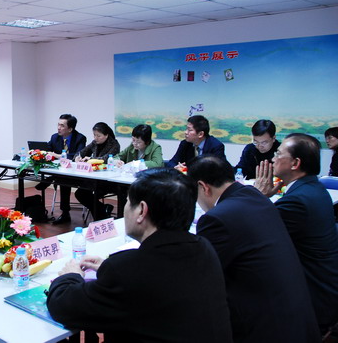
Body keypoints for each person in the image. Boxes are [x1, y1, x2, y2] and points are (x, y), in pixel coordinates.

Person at [46, 168, 232, 342]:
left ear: (142, 211)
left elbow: (63, 306)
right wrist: (108, 268)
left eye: (128, 201)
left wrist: (71, 275)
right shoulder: (204, 248)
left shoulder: (128, 269)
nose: (126, 208)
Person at [187, 156, 319, 342]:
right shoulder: (255, 196)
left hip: (264, 328)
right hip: (298, 319)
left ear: (203, 186)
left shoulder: (217, 218)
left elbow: (200, 277)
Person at [255, 133, 338, 333]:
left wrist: (259, 197)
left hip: (313, 293)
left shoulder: (297, 201)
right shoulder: (313, 187)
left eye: (278, 154)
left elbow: (255, 232)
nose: (273, 158)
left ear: (295, 163)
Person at [38, 114, 87, 225]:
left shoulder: (80, 138)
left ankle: (51, 180)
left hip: (75, 172)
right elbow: (48, 150)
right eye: (58, 124)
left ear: (70, 129)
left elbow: (77, 155)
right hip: (60, 170)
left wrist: (57, 155)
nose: (58, 128)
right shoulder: (55, 137)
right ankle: (64, 213)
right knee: (63, 179)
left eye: (62, 125)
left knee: (64, 180)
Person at [74, 122, 121, 221]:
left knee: (85, 194)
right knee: (80, 193)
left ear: (106, 135)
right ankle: (103, 210)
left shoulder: (114, 145)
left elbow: (105, 159)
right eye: (94, 135)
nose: (95, 138)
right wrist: (78, 157)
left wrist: (90, 159)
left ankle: (100, 216)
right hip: (94, 178)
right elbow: (81, 152)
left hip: (107, 180)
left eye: (98, 136)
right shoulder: (94, 143)